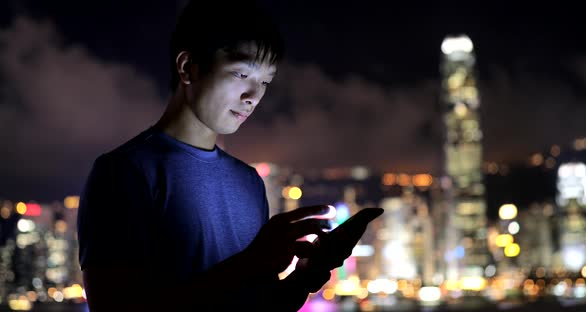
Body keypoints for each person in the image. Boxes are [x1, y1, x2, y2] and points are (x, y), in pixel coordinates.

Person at [76, 1, 382, 311]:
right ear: (188, 67)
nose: (253, 97)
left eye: (265, 82)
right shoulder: (124, 172)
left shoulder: (248, 181)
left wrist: (307, 274)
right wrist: (251, 262)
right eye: (240, 74)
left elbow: (257, 302)